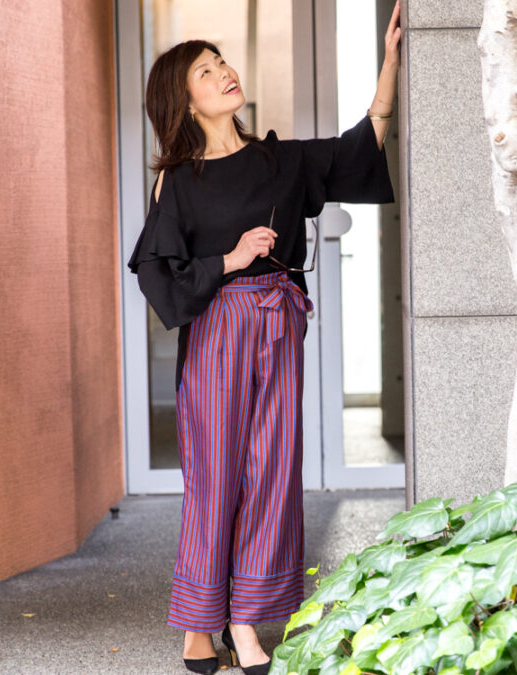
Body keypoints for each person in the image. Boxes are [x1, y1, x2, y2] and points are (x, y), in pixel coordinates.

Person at [127, 3, 402, 674]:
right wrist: (231, 257)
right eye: (205, 70)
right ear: (184, 101)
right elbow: (157, 270)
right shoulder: (178, 179)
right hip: (218, 331)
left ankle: (245, 621)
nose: (224, 72)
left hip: (278, 324)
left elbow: (359, 146)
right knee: (215, 477)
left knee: (273, 473)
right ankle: (199, 625)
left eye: (222, 62)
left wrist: (391, 64)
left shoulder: (281, 161)